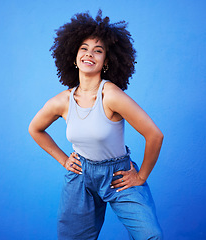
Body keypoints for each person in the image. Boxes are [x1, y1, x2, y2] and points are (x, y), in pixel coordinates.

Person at [29, 10, 164, 240]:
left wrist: (140, 177)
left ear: (106, 61)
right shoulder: (63, 101)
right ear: (74, 56)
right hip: (81, 176)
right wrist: (63, 160)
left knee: (151, 236)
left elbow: (154, 135)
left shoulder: (110, 94)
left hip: (118, 174)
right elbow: (35, 129)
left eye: (98, 50)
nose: (89, 54)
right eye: (84, 48)